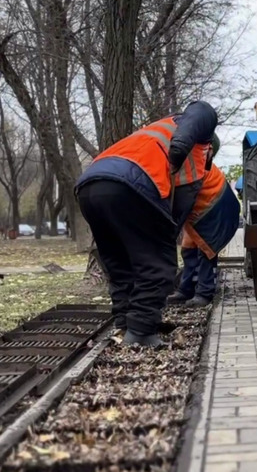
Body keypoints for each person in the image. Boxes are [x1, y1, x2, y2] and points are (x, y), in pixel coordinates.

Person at [75, 100, 218, 347]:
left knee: (120, 263)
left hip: (90, 186)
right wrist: (180, 149)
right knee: (157, 263)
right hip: (134, 183)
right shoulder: (196, 138)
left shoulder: (149, 135)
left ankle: (125, 323)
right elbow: (202, 110)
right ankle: (140, 332)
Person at [167, 136, 240, 307]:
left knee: (206, 251)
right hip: (200, 211)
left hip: (214, 208)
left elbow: (180, 200)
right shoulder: (184, 161)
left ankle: (205, 292)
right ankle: (186, 290)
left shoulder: (192, 165)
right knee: (188, 250)